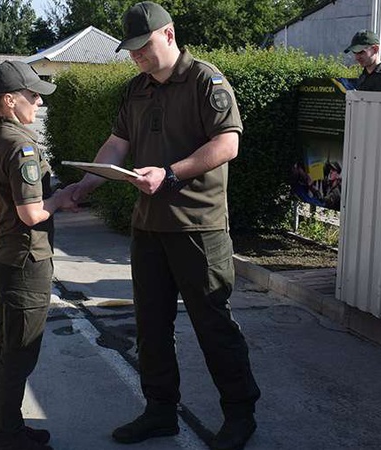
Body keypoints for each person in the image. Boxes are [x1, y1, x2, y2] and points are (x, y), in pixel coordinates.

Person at [70, 2, 261, 450]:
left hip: (198, 227)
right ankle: (160, 411)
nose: (137, 56)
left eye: (144, 46)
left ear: (169, 35)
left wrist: (170, 173)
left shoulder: (204, 80)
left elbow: (227, 143)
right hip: (150, 227)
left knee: (213, 325)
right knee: (151, 325)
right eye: (132, 50)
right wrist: (84, 186)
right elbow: (117, 146)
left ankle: (240, 414)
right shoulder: (136, 89)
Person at [0, 60, 76, 450]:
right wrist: (60, 198)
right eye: (33, 96)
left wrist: (52, 200)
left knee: (7, 346)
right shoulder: (21, 145)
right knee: (20, 354)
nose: (38, 104)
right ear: (10, 101)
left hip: (5, 257)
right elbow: (31, 213)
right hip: (25, 263)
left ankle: (5, 425)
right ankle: (7, 435)